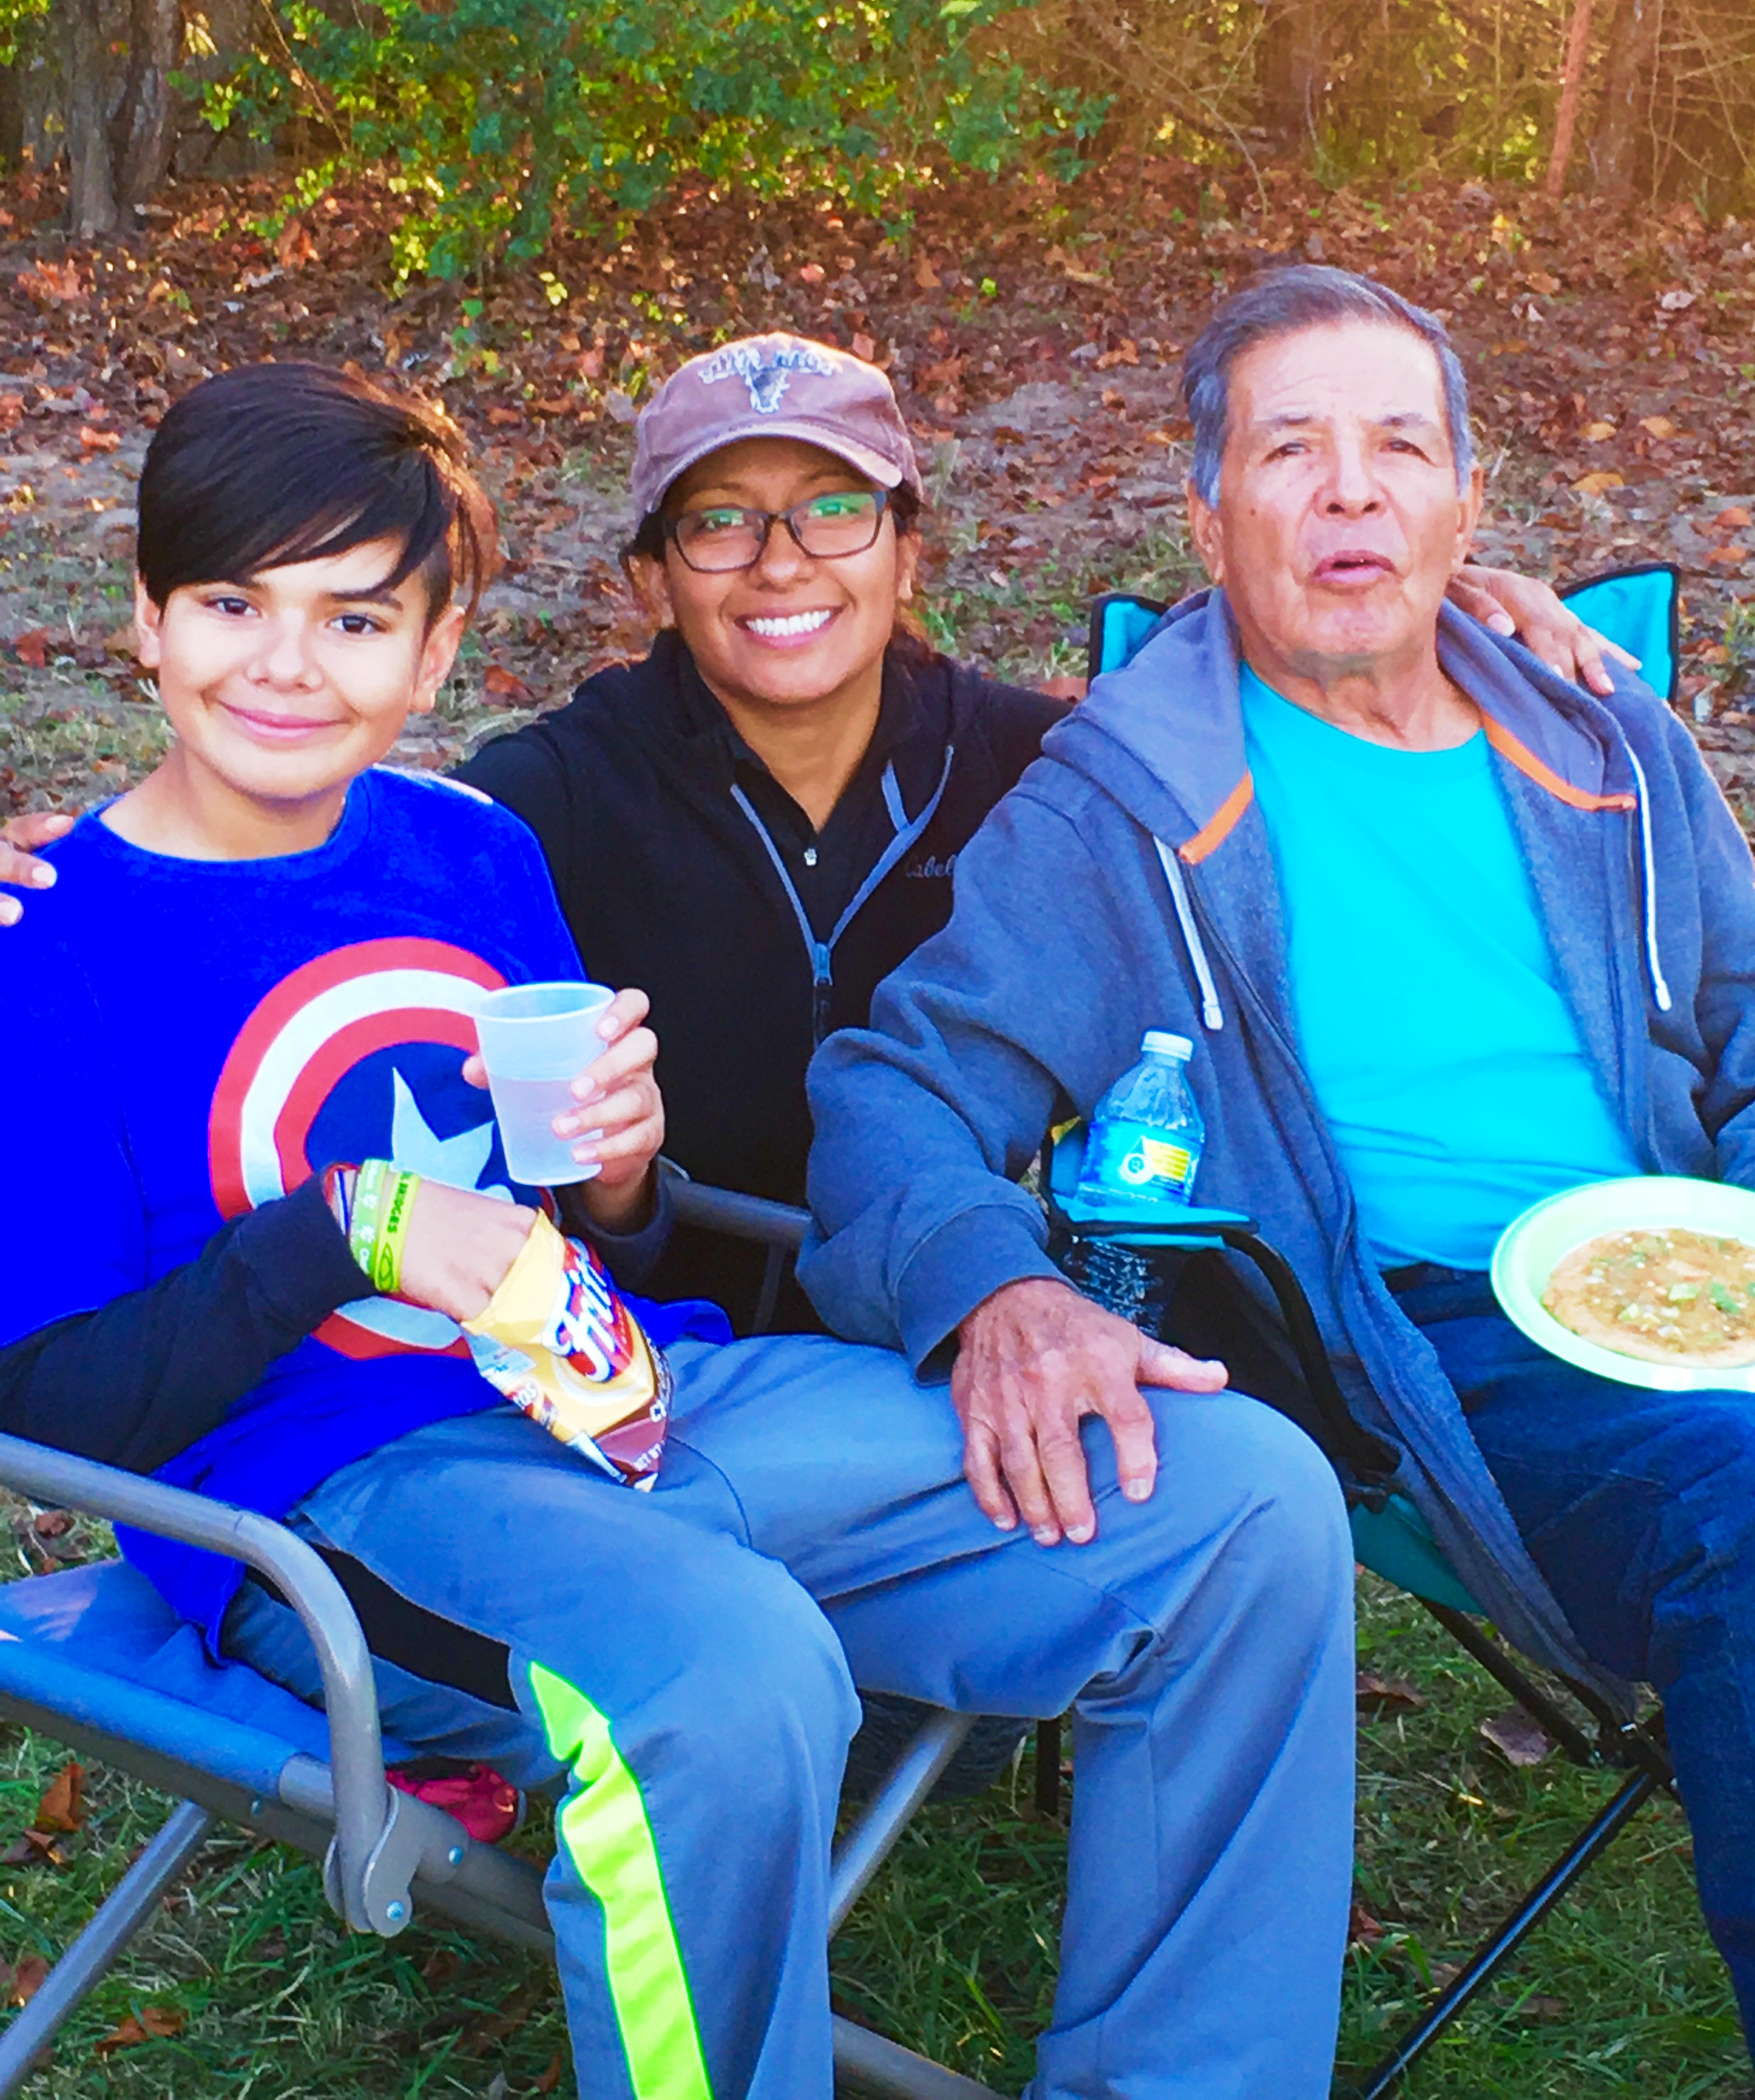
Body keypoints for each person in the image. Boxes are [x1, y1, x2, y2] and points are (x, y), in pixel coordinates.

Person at [0, 359, 1363, 2099]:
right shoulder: (49, 941)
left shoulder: (473, 851)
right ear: (145, 618)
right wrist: (342, 1231)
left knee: (1240, 1499)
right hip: (340, 1501)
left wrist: (623, 1180)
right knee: (726, 1678)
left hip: (643, 1403)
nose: (285, 663)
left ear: (435, 652)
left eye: (354, 620)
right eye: (230, 604)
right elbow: (52, 1417)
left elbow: (586, 1240)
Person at [801, 263, 1755, 2053]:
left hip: (1711, 1274)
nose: (1350, 491)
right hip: (1434, 1350)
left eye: (1399, 448)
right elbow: (892, 1090)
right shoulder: (1129, 808)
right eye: (1291, 449)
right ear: (1210, 513)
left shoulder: (1608, 737)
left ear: (1466, 504)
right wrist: (998, 1292)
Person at [1, 334, 1626, 1338]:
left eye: (836, 510)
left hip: (950, 1311)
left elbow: (1275, 663)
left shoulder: (1044, 761)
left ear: (908, 550)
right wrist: (64, 873)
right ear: (652, 578)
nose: (782, 562)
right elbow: (297, 846)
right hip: (661, 1343)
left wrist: (1459, 613)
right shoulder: (546, 801)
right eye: (719, 522)